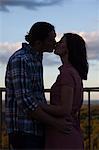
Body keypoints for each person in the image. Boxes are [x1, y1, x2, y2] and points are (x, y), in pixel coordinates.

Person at [5, 22, 71, 150]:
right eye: (51, 39)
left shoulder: (35, 58)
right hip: (24, 131)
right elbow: (25, 102)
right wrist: (56, 123)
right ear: (39, 42)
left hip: (35, 129)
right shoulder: (21, 59)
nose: (54, 42)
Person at [40, 33, 89, 149]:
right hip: (69, 131)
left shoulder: (67, 73)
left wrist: (37, 105)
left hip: (62, 134)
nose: (57, 43)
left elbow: (64, 109)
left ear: (68, 49)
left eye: (61, 42)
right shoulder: (73, 72)